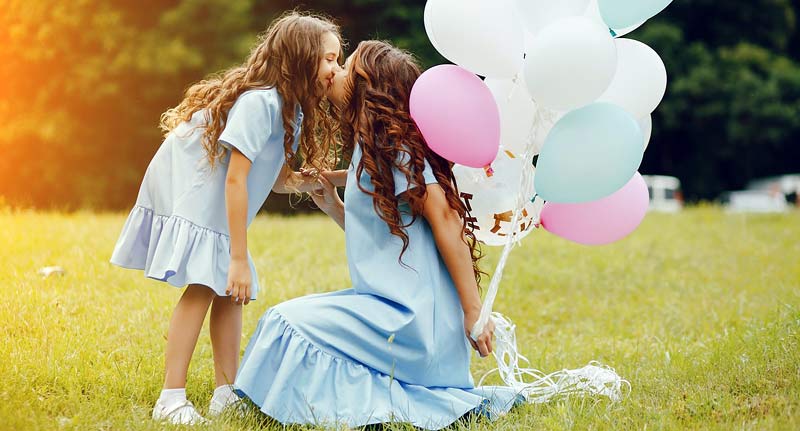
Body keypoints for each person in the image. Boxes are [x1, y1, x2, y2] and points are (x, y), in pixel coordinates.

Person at [234, 40, 519, 430]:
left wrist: (474, 312)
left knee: (285, 322)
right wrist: (334, 205)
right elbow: (377, 235)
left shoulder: (397, 150)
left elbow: (448, 221)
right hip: (391, 311)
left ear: (368, 88)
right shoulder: (372, 153)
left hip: (413, 324)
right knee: (282, 321)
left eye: (347, 67)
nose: (335, 71)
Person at [109, 12, 343, 425]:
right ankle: (170, 397)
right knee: (204, 283)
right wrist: (238, 256)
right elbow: (236, 180)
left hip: (219, 197)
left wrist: (327, 180)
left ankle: (225, 392)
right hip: (199, 191)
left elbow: (278, 180)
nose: (335, 70)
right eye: (329, 59)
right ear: (302, 58)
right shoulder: (262, 103)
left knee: (232, 293)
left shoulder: (292, 110)